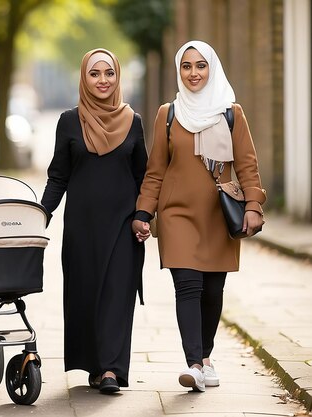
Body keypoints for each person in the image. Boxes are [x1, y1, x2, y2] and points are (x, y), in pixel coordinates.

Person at [132, 40, 266, 392]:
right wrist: (143, 212)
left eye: (200, 65)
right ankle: (193, 363)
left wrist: (253, 205)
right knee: (187, 287)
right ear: (180, 71)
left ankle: (206, 358)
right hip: (177, 216)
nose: (193, 73)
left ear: (212, 69)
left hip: (219, 215)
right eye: (187, 66)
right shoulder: (169, 113)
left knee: (212, 290)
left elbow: (247, 165)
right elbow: (155, 170)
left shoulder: (231, 112)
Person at [41, 48, 148, 394]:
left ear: (118, 77)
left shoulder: (134, 122)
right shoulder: (70, 121)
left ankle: (112, 370)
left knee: (117, 295)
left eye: (109, 73)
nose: (103, 80)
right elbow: (58, 176)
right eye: (95, 74)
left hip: (123, 225)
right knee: (86, 297)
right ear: (84, 79)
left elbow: (143, 176)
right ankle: (95, 364)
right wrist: (40, 214)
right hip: (82, 228)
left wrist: (144, 216)